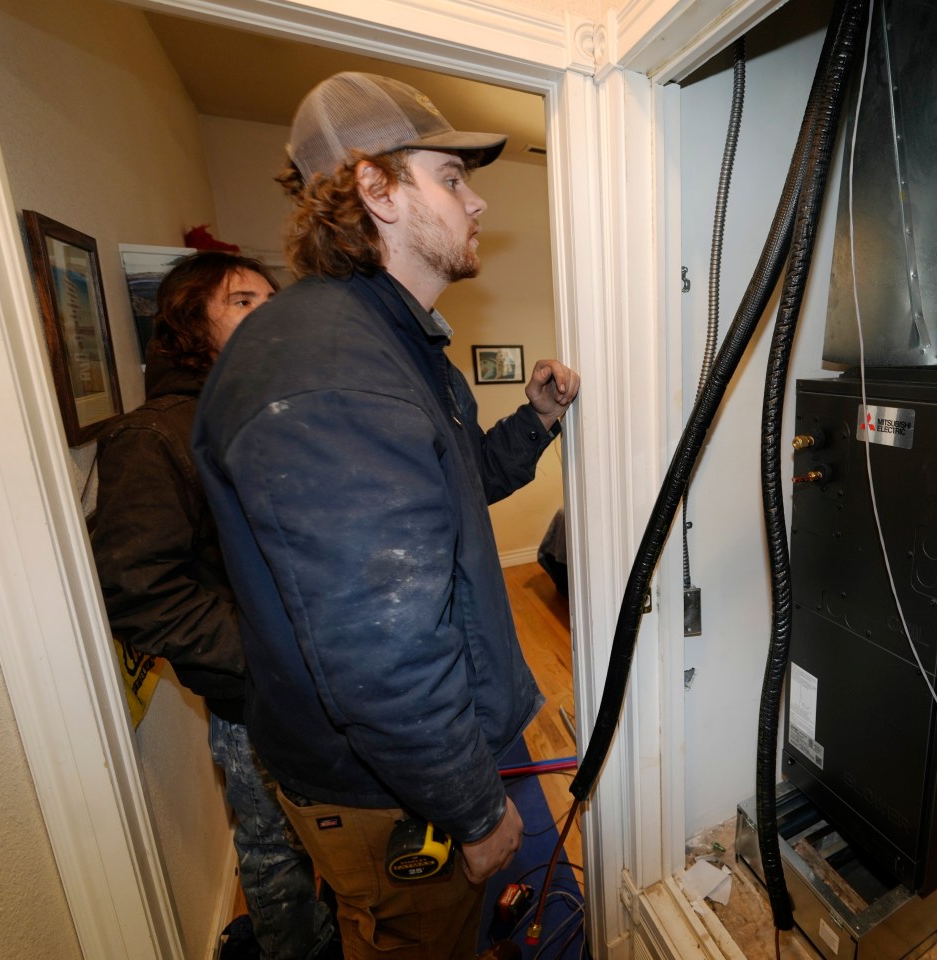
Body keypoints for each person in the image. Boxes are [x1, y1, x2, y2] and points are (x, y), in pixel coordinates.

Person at [192, 72, 580, 959]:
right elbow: (381, 654)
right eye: (452, 177)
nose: (477, 201)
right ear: (377, 190)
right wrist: (474, 809)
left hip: (406, 764)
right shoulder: (332, 374)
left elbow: (454, 489)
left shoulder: (386, 340)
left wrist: (537, 420)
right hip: (385, 790)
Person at [92, 251, 338, 960]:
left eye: (271, 299)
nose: (268, 313)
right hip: (253, 698)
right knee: (275, 849)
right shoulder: (153, 436)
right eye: (242, 301)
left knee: (328, 835)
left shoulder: (266, 414)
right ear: (188, 325)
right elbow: (138, 590)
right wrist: (266, 654)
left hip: (318, 681)